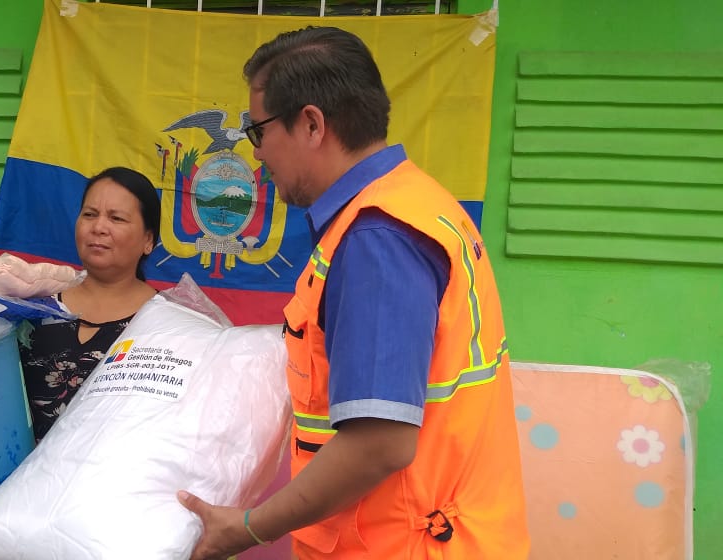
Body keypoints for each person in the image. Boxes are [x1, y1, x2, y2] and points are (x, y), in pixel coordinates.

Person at [177, 27, 529, 559]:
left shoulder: (377, 240)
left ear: (313, 124)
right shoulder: (418, 201)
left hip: (400, 545)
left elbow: (379, 444)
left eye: (259, 131)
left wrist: (248, 527)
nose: (258, 155)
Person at [0, 166, 162, 536]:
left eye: (117, 218)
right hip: (21, 516)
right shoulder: (30, 311)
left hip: (117, 523)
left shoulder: (168, 325)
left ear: (148, 240)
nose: (99, 226)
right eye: (90, 214)